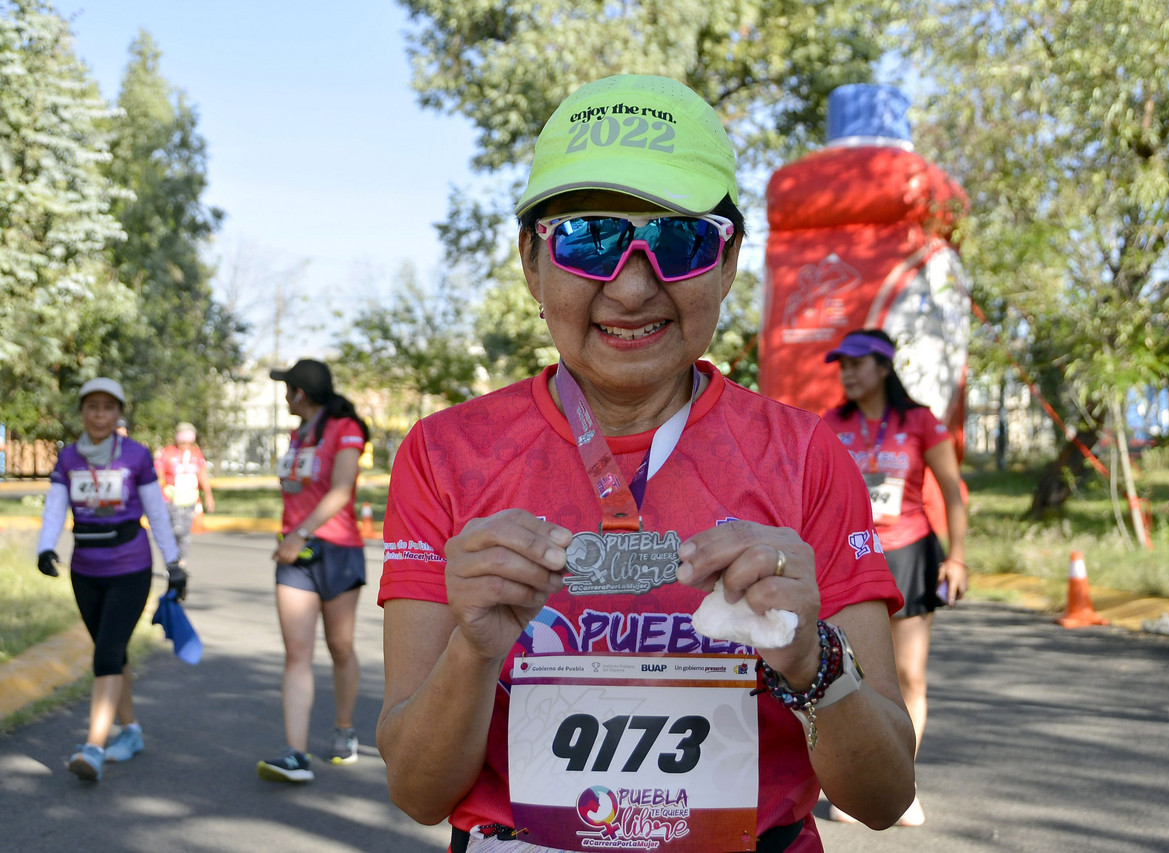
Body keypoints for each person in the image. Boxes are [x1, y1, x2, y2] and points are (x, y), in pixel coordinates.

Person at [377, 74, 917, 853]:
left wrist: (812, 658)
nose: (632, 286)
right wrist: (474, 648)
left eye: (679, 239)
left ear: (727, 266)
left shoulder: (805, 455)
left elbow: (885, 795)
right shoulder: (443, 453)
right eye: (588, 239)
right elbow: (417, 791)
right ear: (532, 263)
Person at [819, 328, 969, 827]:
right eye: (842, 364)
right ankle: (853, 783)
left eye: (858, 363)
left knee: (908, 675)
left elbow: (951, 489)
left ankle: (902, 780)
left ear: (884, 367)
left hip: (908, 553)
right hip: (849, 559)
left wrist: (958, 557)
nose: (848, 373)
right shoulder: (829, 424)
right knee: (845, 671)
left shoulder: (919, 421)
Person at [36, 377, 185, 782]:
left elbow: (156, 513)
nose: (99, 415)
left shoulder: (136, 456)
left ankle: (93, 747)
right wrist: (45, 548)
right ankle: (131, 731)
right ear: (82, 412)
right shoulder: (68, 459)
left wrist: (173, 563)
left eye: (107, 407)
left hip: (130, 569)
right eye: (91, 407)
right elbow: (54, 509)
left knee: (105, 654)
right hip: (85, 572)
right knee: (113, 654)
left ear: (118, 413)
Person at [258, 358, 370, 783]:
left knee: (340, 646)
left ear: (299, 394)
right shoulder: (296, 435)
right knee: (297, 654)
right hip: (296, 556)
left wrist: (300, 533)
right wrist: (294, 537)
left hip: (336, 550)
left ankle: (344, 731)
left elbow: (342, 491)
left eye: (287, 389)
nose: (285, 395)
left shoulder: (345, 430)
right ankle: (295, 753)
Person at [154, 421, 215, 567]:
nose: (186, 444)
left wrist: (208, 495)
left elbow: (202, 475)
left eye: (189, 441)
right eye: (183, 440)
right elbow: (159, 476)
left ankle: (181, 561)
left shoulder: (196, 453)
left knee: (185, 532)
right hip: (170, 498)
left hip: (189, 498)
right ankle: (171, 560)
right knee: (175, 530)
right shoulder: (166, 453)